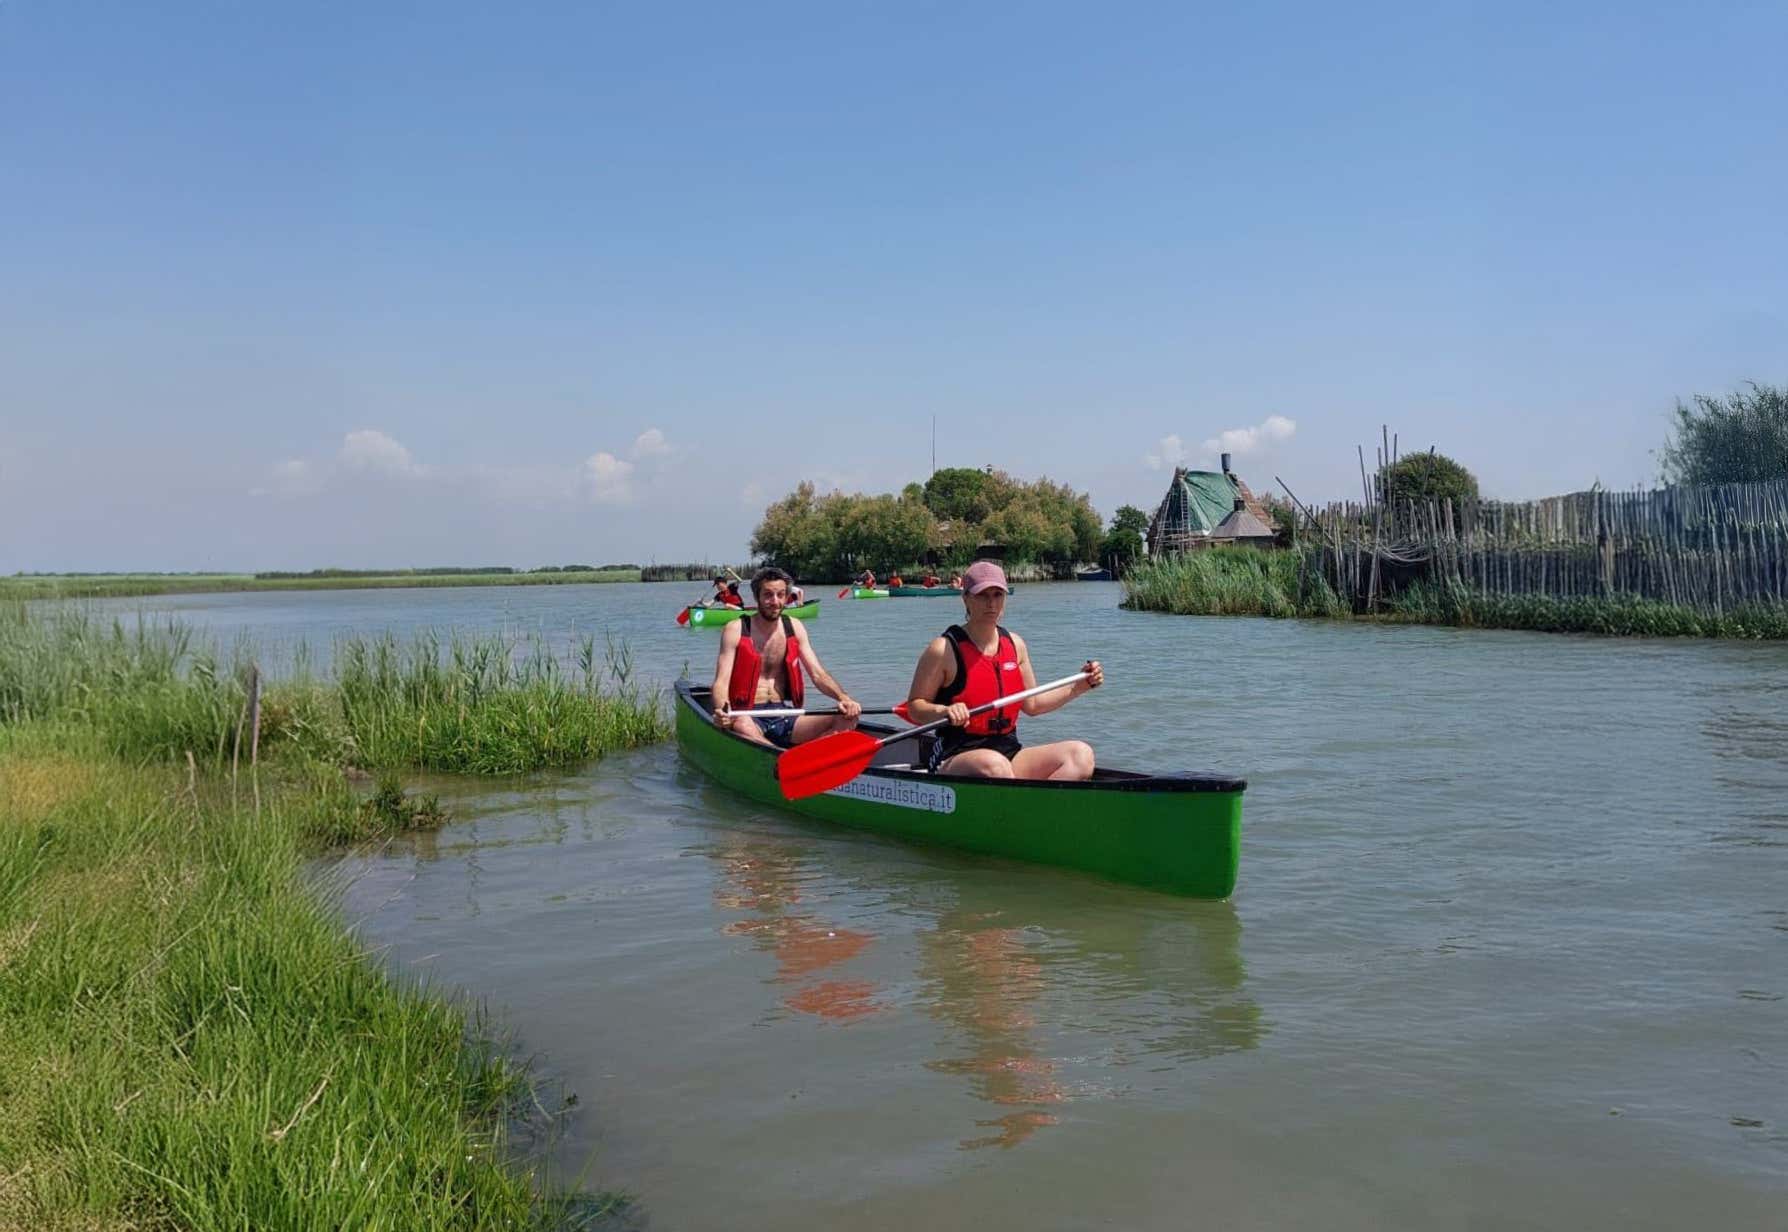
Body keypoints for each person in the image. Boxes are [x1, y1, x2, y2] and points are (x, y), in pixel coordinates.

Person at [903, 560, 1101, 779]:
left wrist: (1080, 687)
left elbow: (1033, 705)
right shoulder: (943, 649)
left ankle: (1034, 809)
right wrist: (944, 711)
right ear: (966, 598)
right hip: (955, 754)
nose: (991, 604)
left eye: (998, 595)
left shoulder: (1015, 645)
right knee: (995, 766)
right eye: (982, 595)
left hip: (1008, 752)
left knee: (1081, 755)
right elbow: (915, 708)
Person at [713, 566, 861, 747]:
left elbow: (818, 674)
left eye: (780, 595)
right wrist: (723, 711)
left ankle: (807, 758)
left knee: (847, 717)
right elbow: (721, 682)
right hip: (746, 715)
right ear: (756, 597)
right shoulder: (735, 629)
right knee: (742, 724)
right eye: (767, 595)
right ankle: (778, 758)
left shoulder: (795, 627)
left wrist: (844, 698)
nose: (774, 601)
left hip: (785, 714)